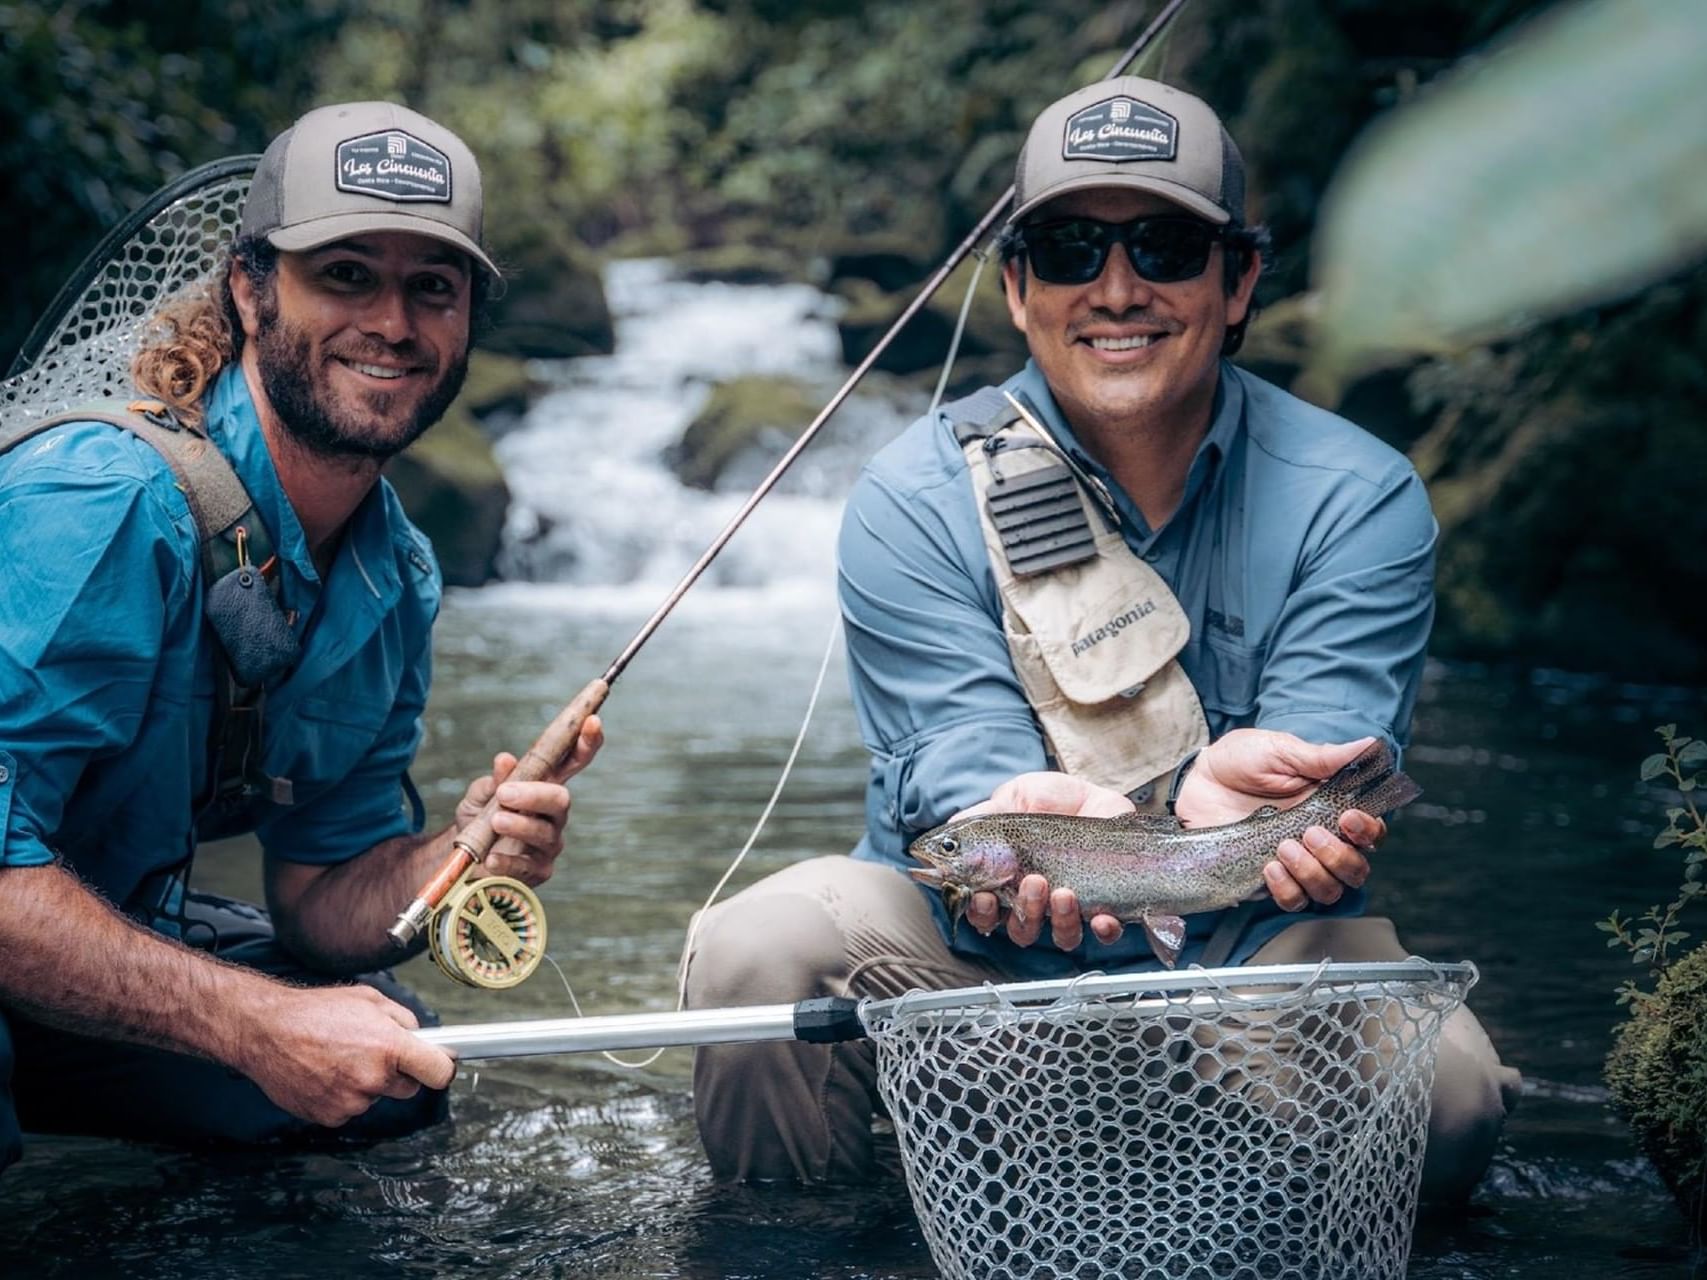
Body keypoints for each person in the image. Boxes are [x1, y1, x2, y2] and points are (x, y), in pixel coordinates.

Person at [684, 76, 1519, 1200]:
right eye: (1072, 248)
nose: (1117, 289)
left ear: (1239, 281)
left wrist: (1270, 804)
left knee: (1448, 1100)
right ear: (1019, 288)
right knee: (754, 952)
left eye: (1167, 247)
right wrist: (1007, 812)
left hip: (1254, 956)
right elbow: (956, 759)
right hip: (969, 968)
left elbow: (1338, 758)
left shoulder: (1356, 496)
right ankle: (809, 1245)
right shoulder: (915, 495)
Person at [0, 102, 602, 1173]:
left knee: (387, 1070)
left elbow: (324, 893)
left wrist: (454, 858)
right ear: (248, 286)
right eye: (348, 274)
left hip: (71, 948)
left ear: (468, 319)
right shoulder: (101, 502)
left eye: (433, 286)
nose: (394, 324)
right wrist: (249, 1022)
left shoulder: (397, 571)